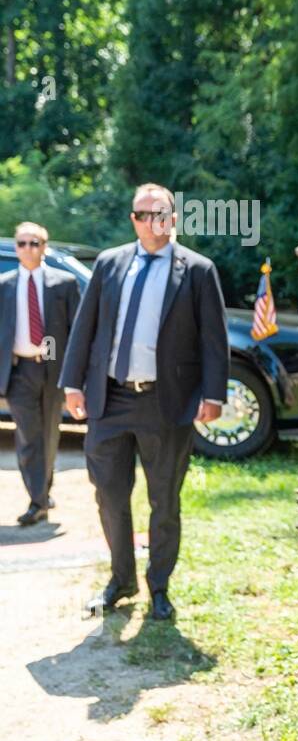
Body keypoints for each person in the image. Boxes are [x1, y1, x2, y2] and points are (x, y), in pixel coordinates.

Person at [62, 183, 229, 621]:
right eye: (141, 213)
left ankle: (159, 586)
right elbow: (85, 328)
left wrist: (213, 394)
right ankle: (121, 580)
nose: (150, 221)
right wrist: (72, 383)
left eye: (159, 213)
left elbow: (214, 339)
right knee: (109, 496)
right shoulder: (109, 263)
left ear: (173, 218)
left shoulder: (197, 269)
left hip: (165, 403)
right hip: (110, 399)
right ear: (132, 219)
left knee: (164, 501)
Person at [0, 222, 81, 525]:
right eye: (22, 243)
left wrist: (76, 374)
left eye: (34, 243)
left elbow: (77, 331)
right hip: (19, 371)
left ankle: (43, 491)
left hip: (51, 369)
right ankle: (37, 499)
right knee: (28, 437)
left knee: (48, 435)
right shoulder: (4, 285)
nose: (28, 249)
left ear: (44, 247)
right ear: (16, 248)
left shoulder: (64, 283)